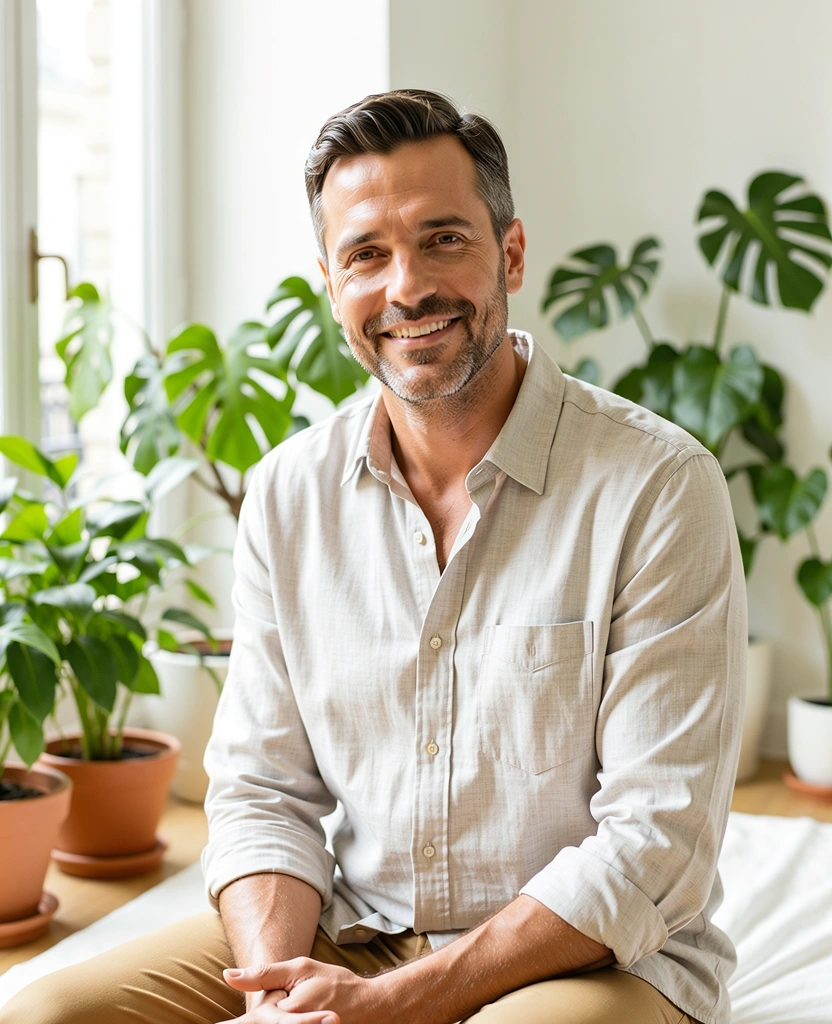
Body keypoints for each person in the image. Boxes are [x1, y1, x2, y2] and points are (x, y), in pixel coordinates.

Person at [1, 89, 745, 1024]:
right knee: (45, 1015)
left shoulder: (659, 485)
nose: (406, 288)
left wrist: (398, 1004)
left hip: (589, 960)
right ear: (330, 282)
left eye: (444, 240)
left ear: (509, 252)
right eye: (366, 255)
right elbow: (264, 789)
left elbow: (655, 841)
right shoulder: (287, 494)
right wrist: (283, 995)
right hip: (352, 929)